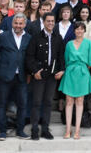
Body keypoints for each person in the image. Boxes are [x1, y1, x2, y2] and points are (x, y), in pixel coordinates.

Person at [0, 14, 31, 141]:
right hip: (4, 75)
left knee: (23, 105)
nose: (18, 26)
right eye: (16, 23)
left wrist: (30, 73)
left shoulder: (29, 38)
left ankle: (20, 130)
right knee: (2, 104)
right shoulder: (3, 36)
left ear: (24, 24)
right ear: (12, 23)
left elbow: (31, 57)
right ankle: (2, 131)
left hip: (22, 77)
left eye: (21, 23)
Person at [25, 12, 65, 140]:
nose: (51, 23)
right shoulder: (36, 37)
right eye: (48, 21)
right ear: (43, 22)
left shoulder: (58, 38)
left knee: (48, 102)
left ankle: (45, 129)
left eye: (53, 21)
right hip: (39, 75)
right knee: (36, 102)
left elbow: (61, 58)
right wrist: (34, 72)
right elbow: (29, 57)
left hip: (52, 76)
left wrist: (62, 70)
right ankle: (35, 129)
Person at [59, 21, 91, 139]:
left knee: (80, 101)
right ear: (74, 31)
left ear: (84, 31)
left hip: (83, 73)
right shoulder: (69, 44)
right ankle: (68, 129)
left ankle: (77, 130)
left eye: (81, 29)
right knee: (69, 101)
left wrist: (82, 70)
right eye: (77, 29)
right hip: (70, 72)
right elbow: (65, 59)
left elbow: (90, 61)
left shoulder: (89, 43)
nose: (79, 31)